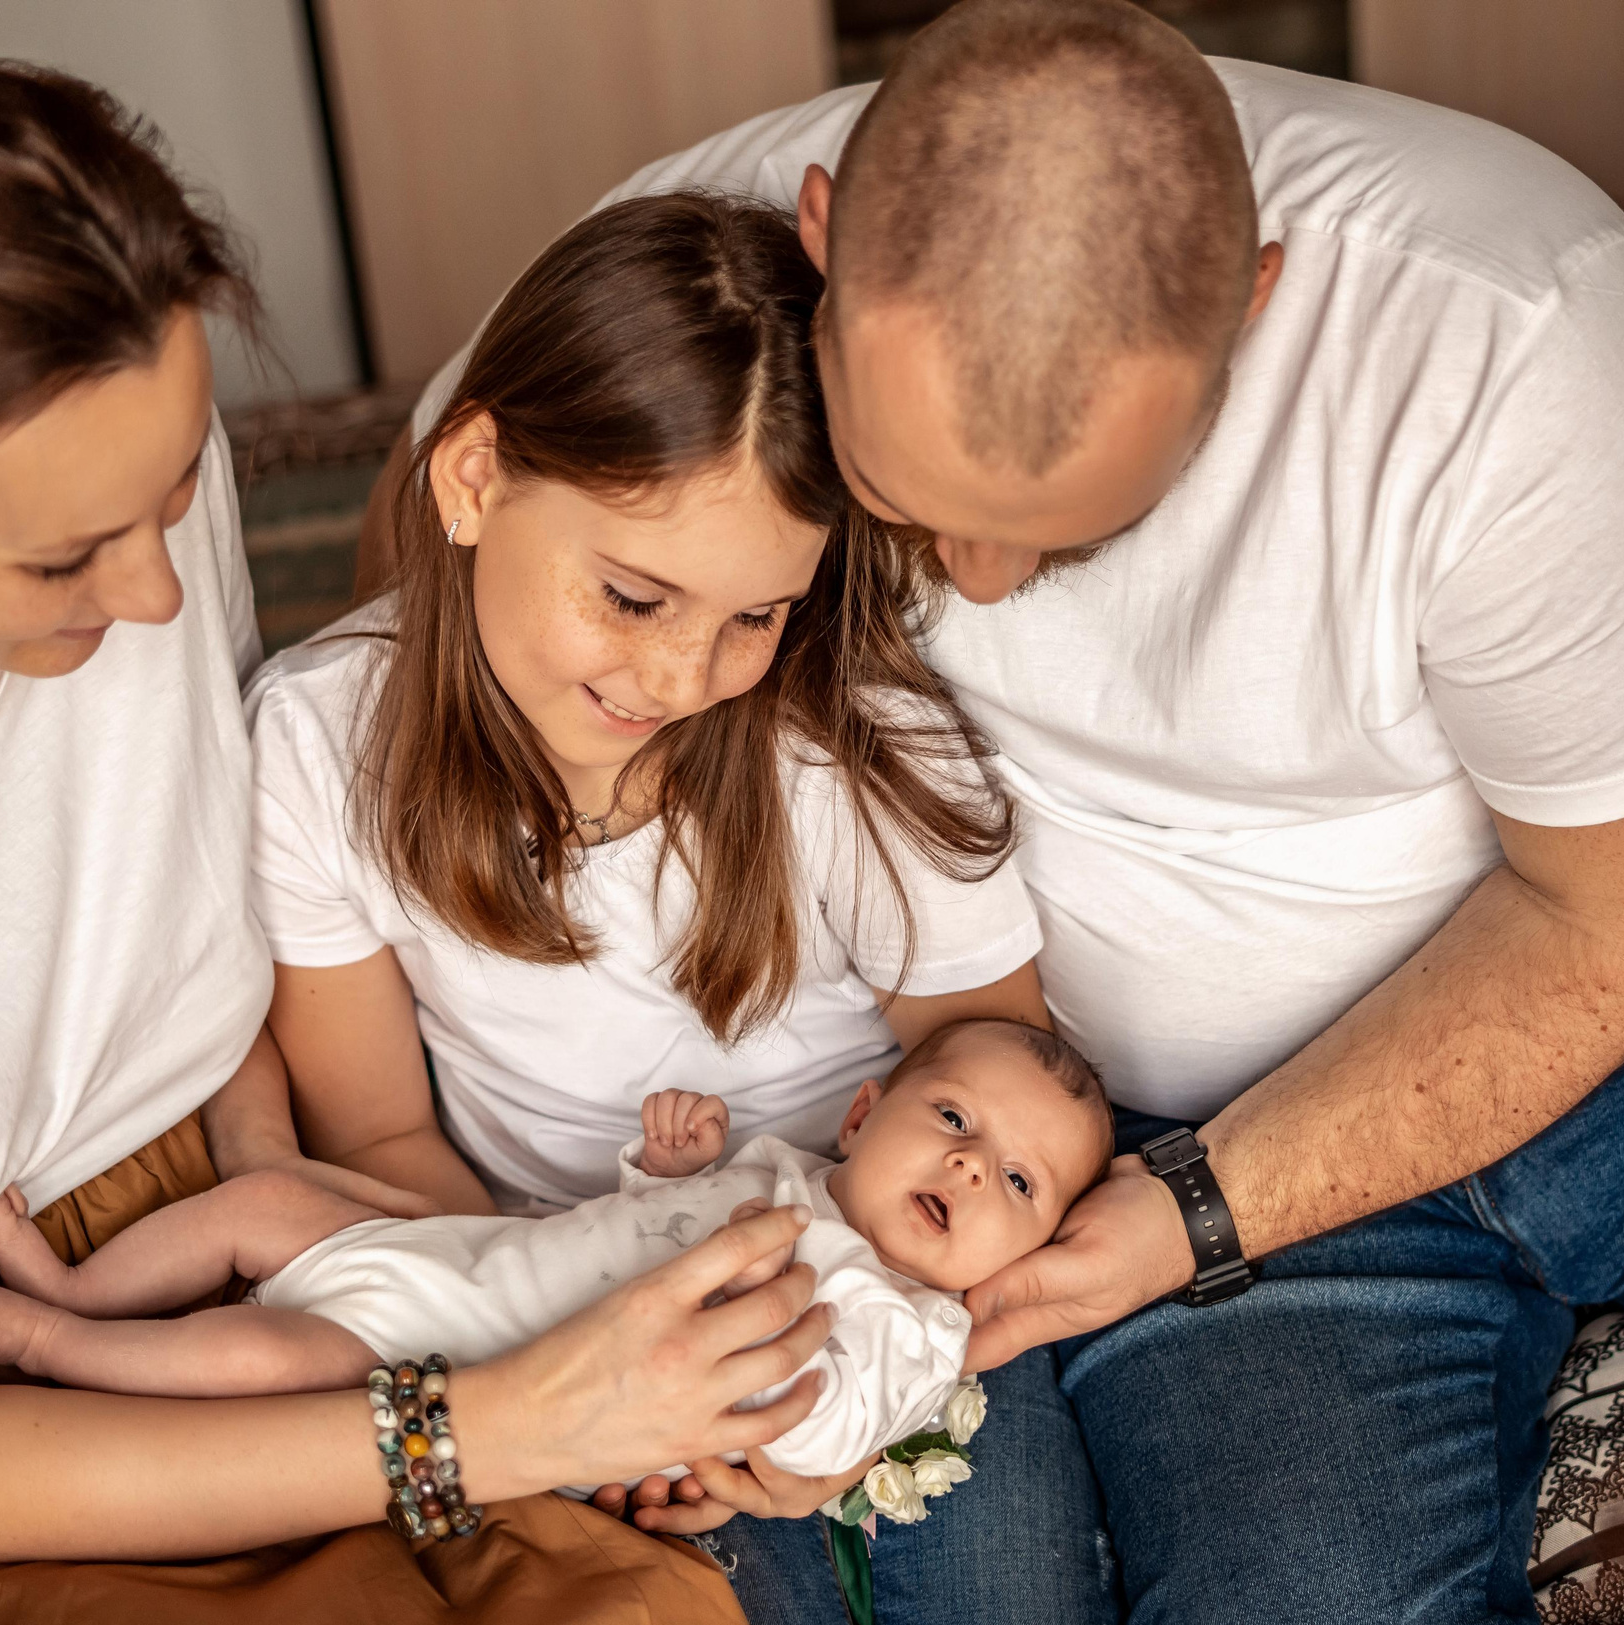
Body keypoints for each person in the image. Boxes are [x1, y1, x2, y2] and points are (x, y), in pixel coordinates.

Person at [405, 3, 1624, 1625]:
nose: (978, 585)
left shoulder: (1511, 320)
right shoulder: (680, 268)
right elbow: (450, 587)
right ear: (825, 240)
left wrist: (1196, 1215)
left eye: (1072, 526)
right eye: (905, 497)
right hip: (1162, 1113)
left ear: (1258, 305)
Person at [0, 61, 824, 1625]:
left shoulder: (118, 469)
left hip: (201, 1215)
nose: (157, 596)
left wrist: (296, 1194)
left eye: (169, 497)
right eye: (71, 555)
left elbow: (170, 868)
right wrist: (503, 1420)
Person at [227, 189, 1071, 1530]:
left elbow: (1003, 1077)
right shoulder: (320, 744)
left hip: (882, 1303)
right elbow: (380, 1127)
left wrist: (861, 1378)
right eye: (632, 596)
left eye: (755, 615)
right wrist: (593, 1369)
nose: (686, 677)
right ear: (472, 481)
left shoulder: (842, 744)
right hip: (555, 1297)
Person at [0, 1018, 1113, 1495]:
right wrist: (668, 1168)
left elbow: (823, 1429)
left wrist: (768, 1357)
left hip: (456, 1356)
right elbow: (633, 1226)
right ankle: (77, 1280)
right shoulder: (789, 1174)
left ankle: (58, 1340)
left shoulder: (911, 1324)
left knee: (256, 1354)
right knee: (264, 1202)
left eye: (1016, 1182)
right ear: (861, 1118)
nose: (969, 1167)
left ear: (1030, 1244)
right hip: (459, 1253)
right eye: (954, 1121)